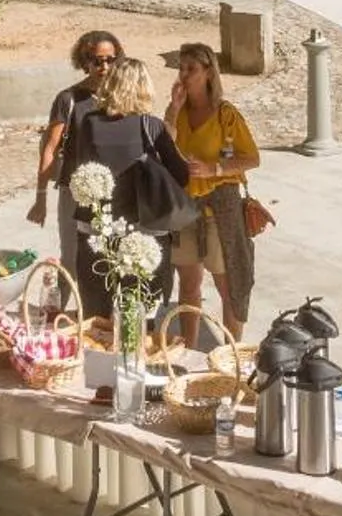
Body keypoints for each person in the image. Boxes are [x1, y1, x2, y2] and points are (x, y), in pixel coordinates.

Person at [59, 56, 190, 320]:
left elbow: (81, 164)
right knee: (139, 318)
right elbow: (182, 175)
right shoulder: (150, 126)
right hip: (140, 235)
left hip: (96, 231)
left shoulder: (89, 124)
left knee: (96, 318)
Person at [167, 41, 261, 335]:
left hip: (220, 206)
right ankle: (187, 353)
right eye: (181, 68)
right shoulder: (179, 111)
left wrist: (214, 169)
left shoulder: (225, 114)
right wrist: (173, 107)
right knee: (189, 285)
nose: (184, 74)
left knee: (228, 284)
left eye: (191, 69)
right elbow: (164, 142)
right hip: (184, 205)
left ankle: (232, 357)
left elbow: (252, 158)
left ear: (208, 73)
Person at [29, 29, 123, 274]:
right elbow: (49, 148)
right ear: (85, 62)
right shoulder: (68, 99)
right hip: (74, 190)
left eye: (110, 60)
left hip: (114, 191)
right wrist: (40, 199)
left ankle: (103, 313)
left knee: (110, 260)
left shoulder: (123, 96)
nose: (104, 66)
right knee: (71, 258)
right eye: (97, 60)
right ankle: (65, 311)